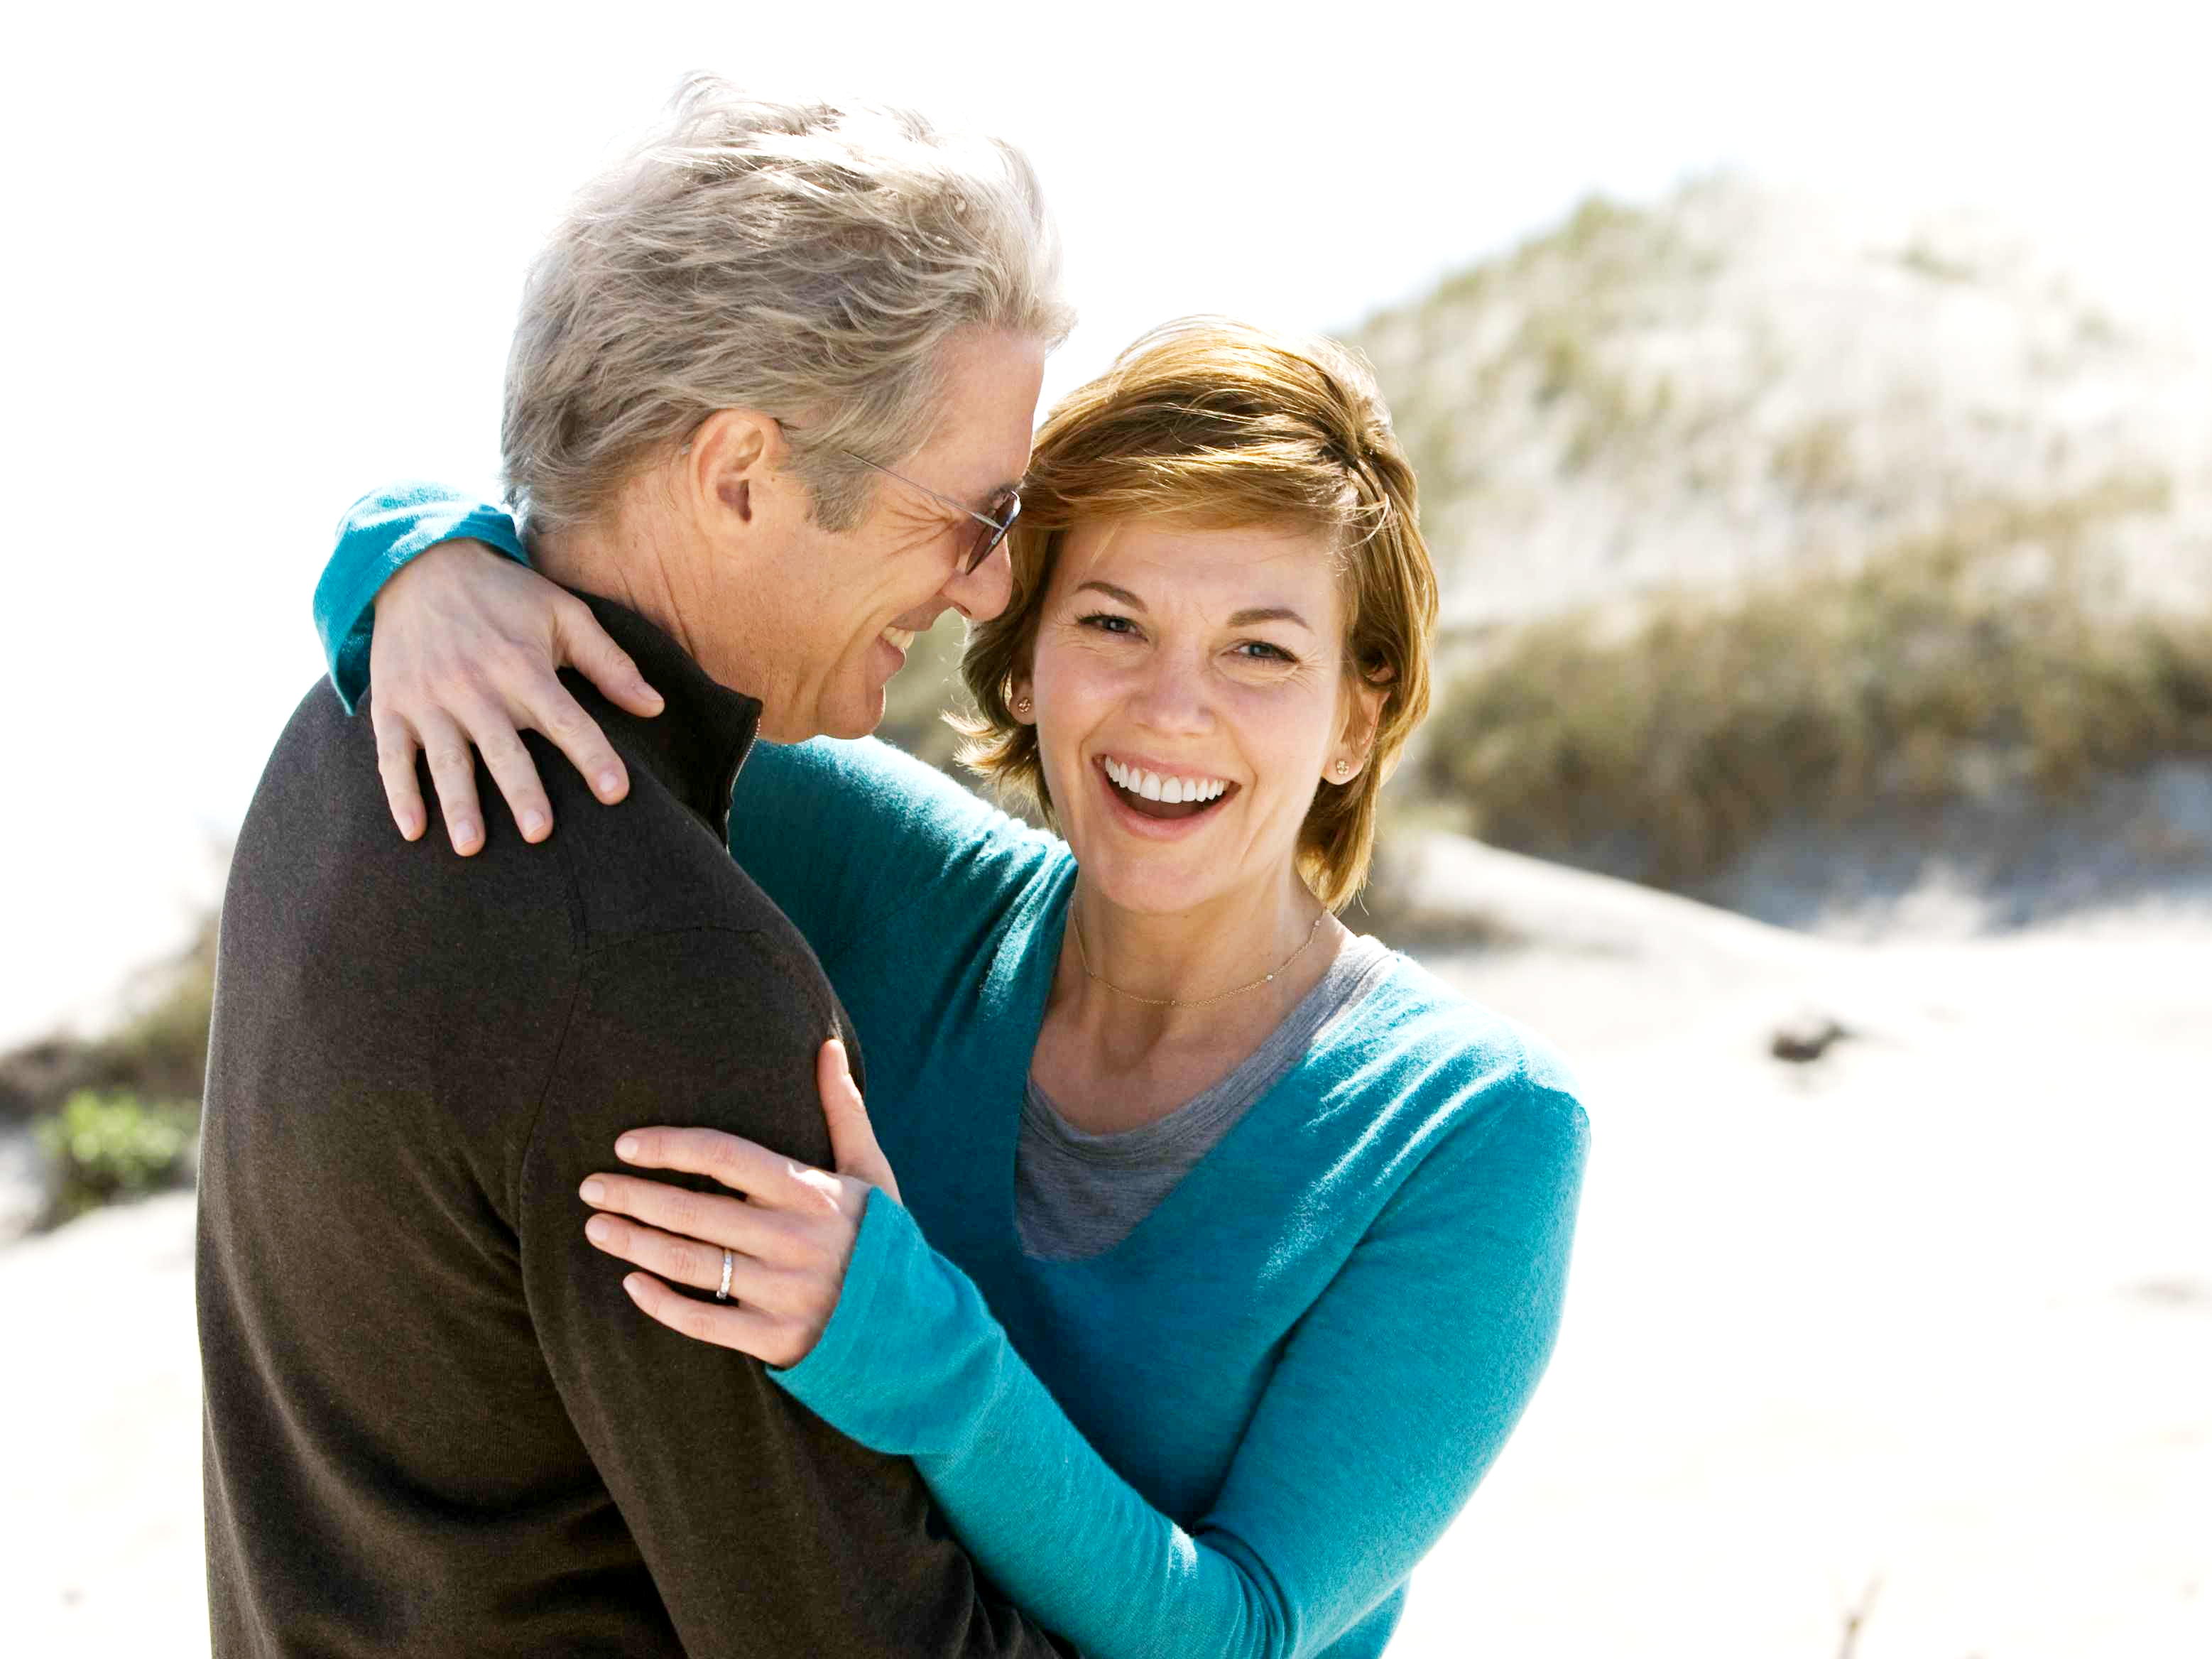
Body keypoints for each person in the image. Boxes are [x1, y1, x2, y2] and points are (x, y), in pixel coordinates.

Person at [311, 316, 1591, 1658]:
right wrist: (418, 563)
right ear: (1025, 655)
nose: (1171, 710)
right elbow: (588, 580)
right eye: (1112, 623)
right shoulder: (892, 878)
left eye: (1261, 651)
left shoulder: (1476, 1128)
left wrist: (911, 1342)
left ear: (1357, 715)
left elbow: (1243, 1628)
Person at [198, 80, 1079, 1657]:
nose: (990, 587)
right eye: (974, 517)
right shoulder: (662, 972)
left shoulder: (348, 725)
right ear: (740, 473)